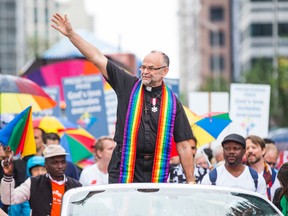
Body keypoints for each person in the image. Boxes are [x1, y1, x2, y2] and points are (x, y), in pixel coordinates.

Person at [51, 13, 195, 183]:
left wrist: (191, 180)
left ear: (164, 72)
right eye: (143, 67)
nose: (145, 71)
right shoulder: (128, 84)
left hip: (155, 169)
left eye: (151, 68)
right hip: (123, 165)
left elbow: (184, 145)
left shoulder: (172, 102)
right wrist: (71, 34)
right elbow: (97, 58)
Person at [0, 144, 82, 216]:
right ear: (46, 164)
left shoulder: (76, 186)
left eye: (63, 162)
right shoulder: (33, 183)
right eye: (55, 162)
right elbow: (8, 199)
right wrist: (8, 176)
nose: (60, 166)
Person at [201, 133, 267, 197]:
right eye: (227, 149)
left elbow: (262, 207)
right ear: (223, 151)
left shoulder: (256, 179)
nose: (231, 152)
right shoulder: (210, 179)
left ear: (244, 152)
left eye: (236, 148)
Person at [245, 135, 280, 201]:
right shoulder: (241, 174)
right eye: (247, 148)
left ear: (263, 150)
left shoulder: (276, 176)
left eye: (253, 147)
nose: (250, 150)